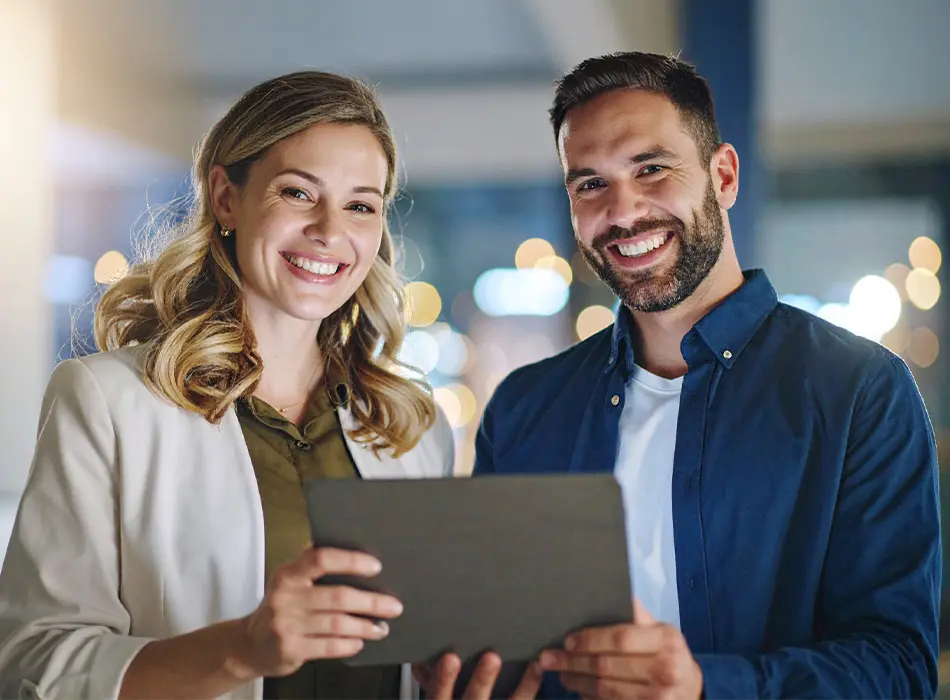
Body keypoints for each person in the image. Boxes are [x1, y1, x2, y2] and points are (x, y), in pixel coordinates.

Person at [0, 71, 539, 700]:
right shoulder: (106, 401)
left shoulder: (411, 427)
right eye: (298, 193)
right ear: (227, 198)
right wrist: (239, 650)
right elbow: (34, 664)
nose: (330, 230)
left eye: (361, 204)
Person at [475, 51, 941, 699]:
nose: (624, 211)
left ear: (722, 176)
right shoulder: (523, 410)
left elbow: (900, 669)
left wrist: (704, 687)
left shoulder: (860, 391)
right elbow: (497, 641)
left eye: (652, 168)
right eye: (589, 185)